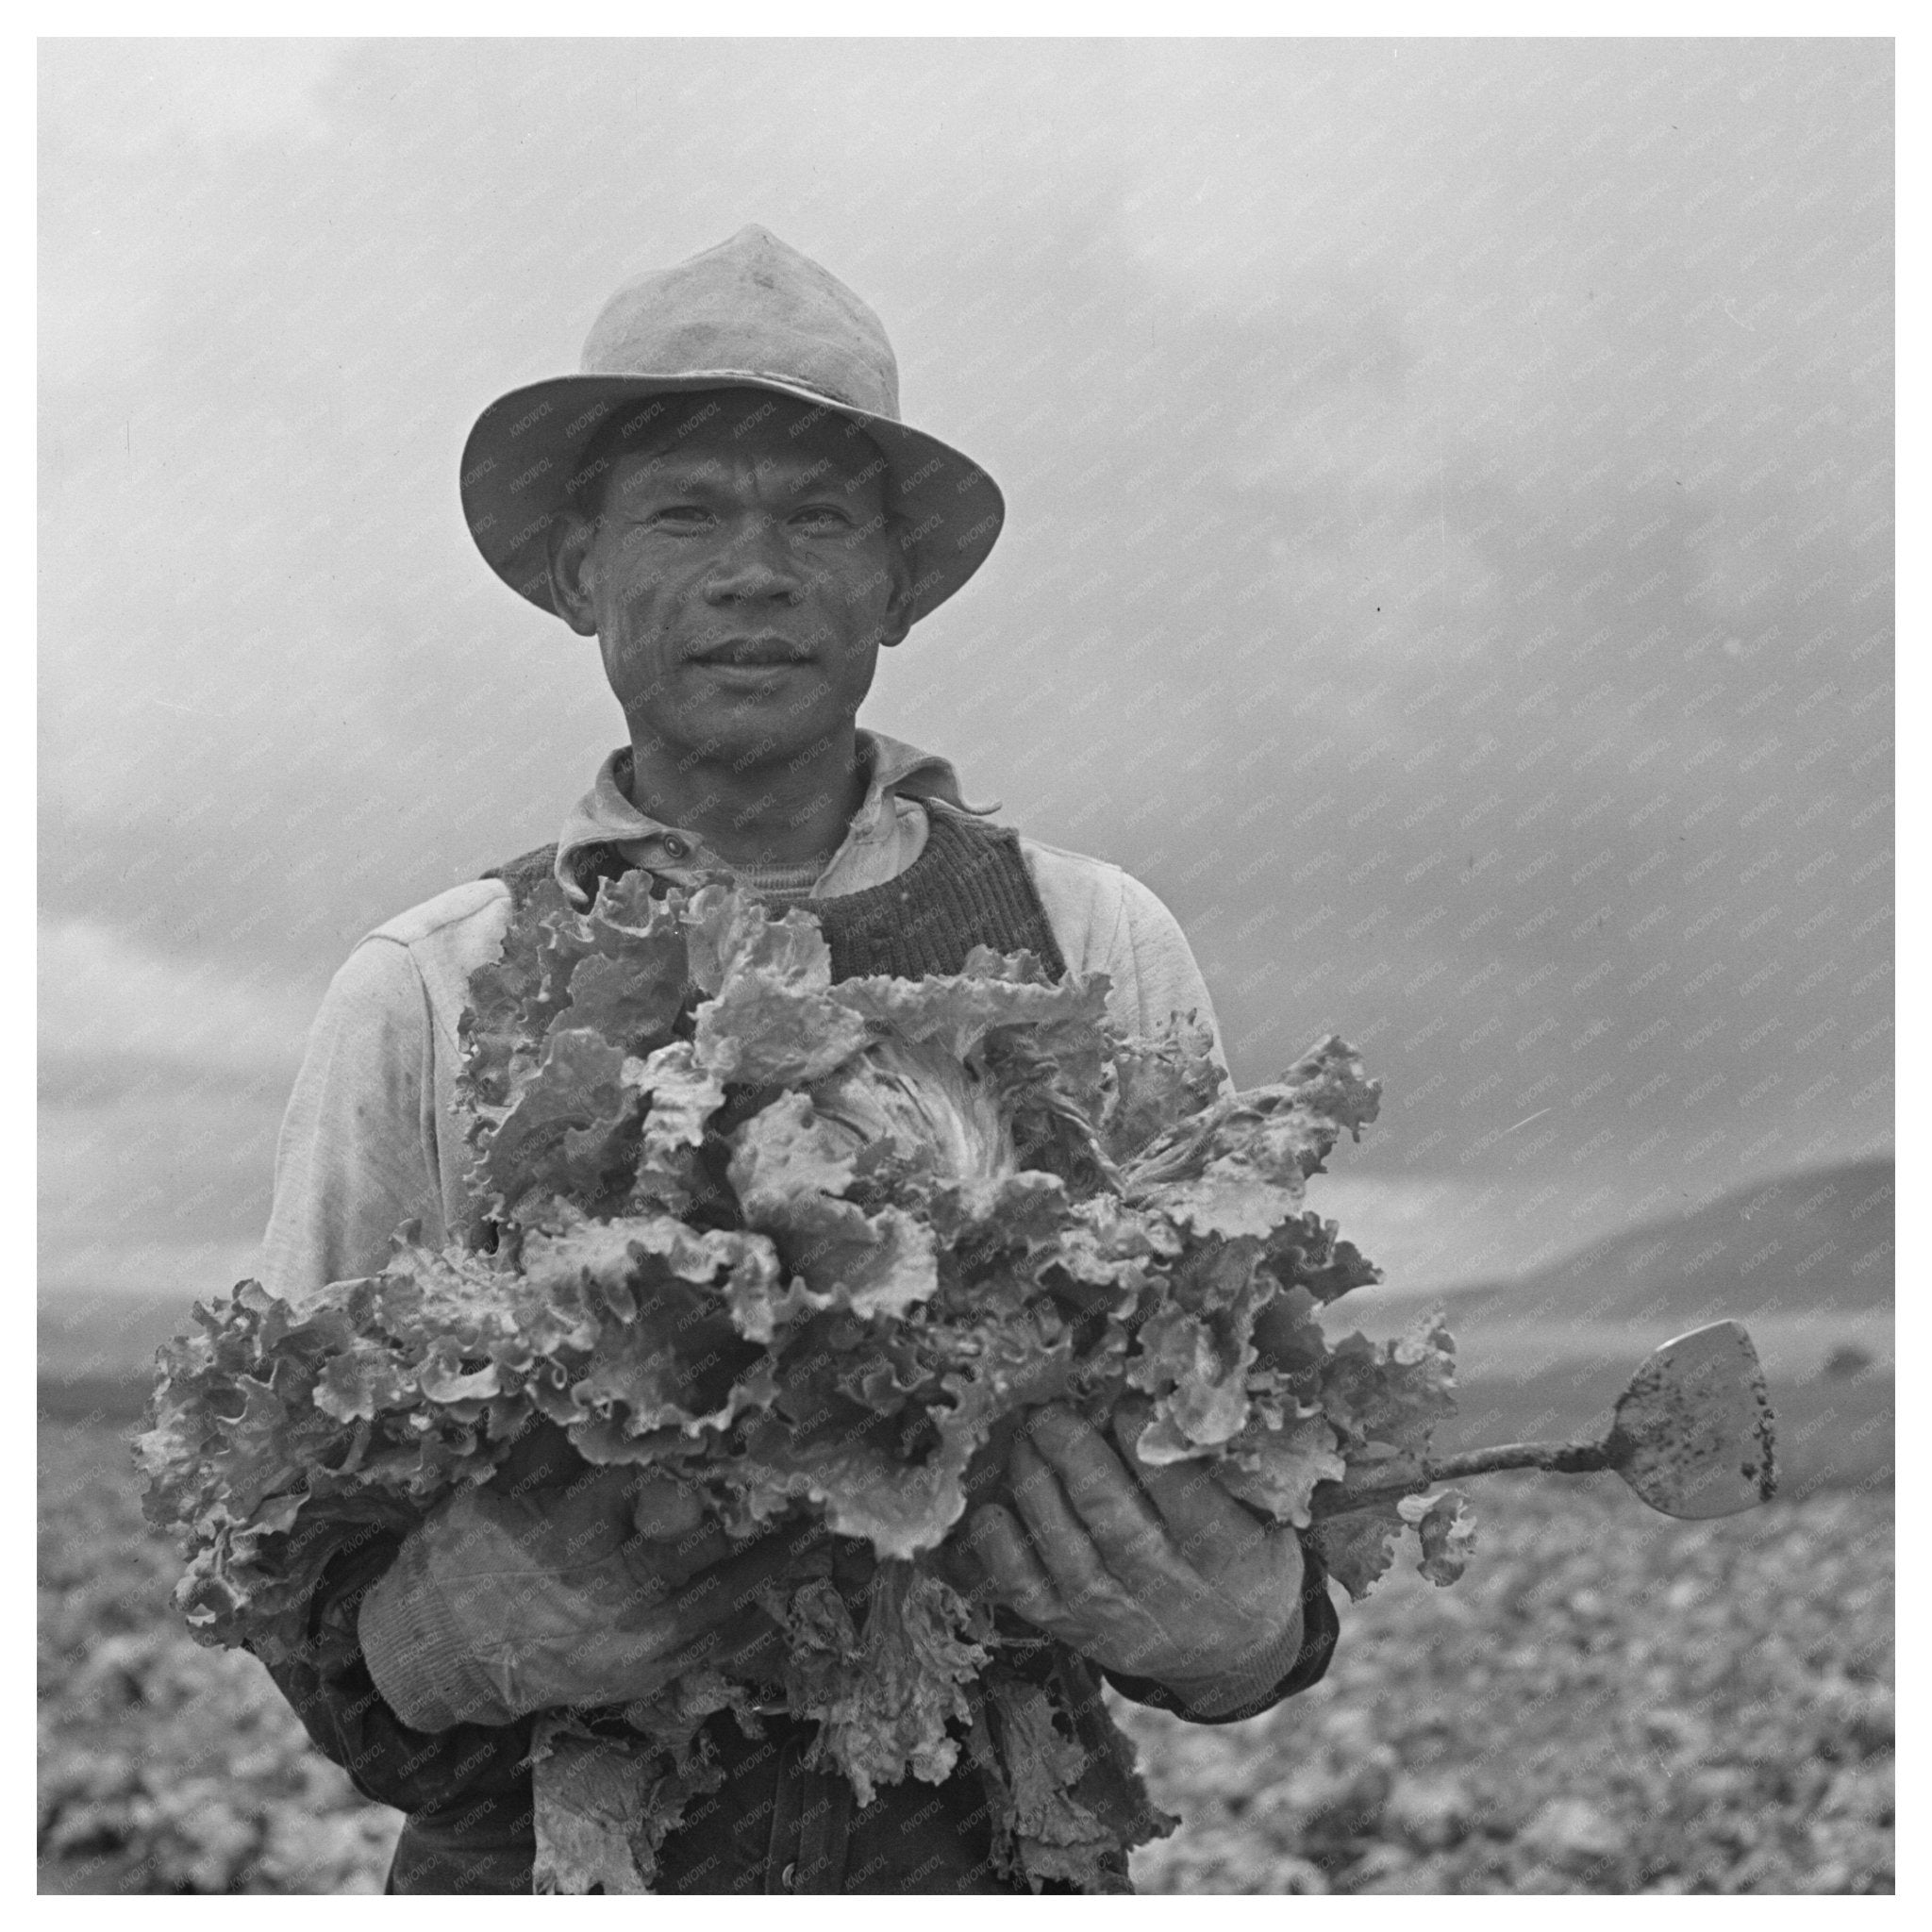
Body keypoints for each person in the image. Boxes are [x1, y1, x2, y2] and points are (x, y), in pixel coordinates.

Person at [255, 225, 1339, 1895]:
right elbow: (280, 1515)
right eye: (685, 513)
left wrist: (1253, 1627)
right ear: (578, 574)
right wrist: (422, 1640)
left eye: (817, 518)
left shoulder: (1093, 940)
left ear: (895, 586)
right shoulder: (426, 988)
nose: (753, 572)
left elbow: (1255, 1438)